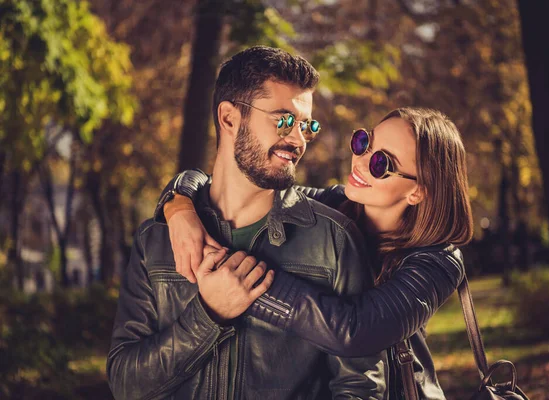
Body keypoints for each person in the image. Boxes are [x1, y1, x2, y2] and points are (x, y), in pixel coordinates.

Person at [107, 46, 388, 400]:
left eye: (307, 125)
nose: (299, 140)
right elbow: (124, 384)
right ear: (229, 118)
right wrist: (208, 316)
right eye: (284, 120)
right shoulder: (157, 240)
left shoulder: (332, 240)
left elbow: (362, 388)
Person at [157, 106, 474, 400]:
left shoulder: (437, 262)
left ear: (418, 191)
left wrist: (242, 281)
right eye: (363, 142)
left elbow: (354, 330)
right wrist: (178, 206)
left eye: (382, 163)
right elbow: (220, 183)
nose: (361, 161)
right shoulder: (333, 206)